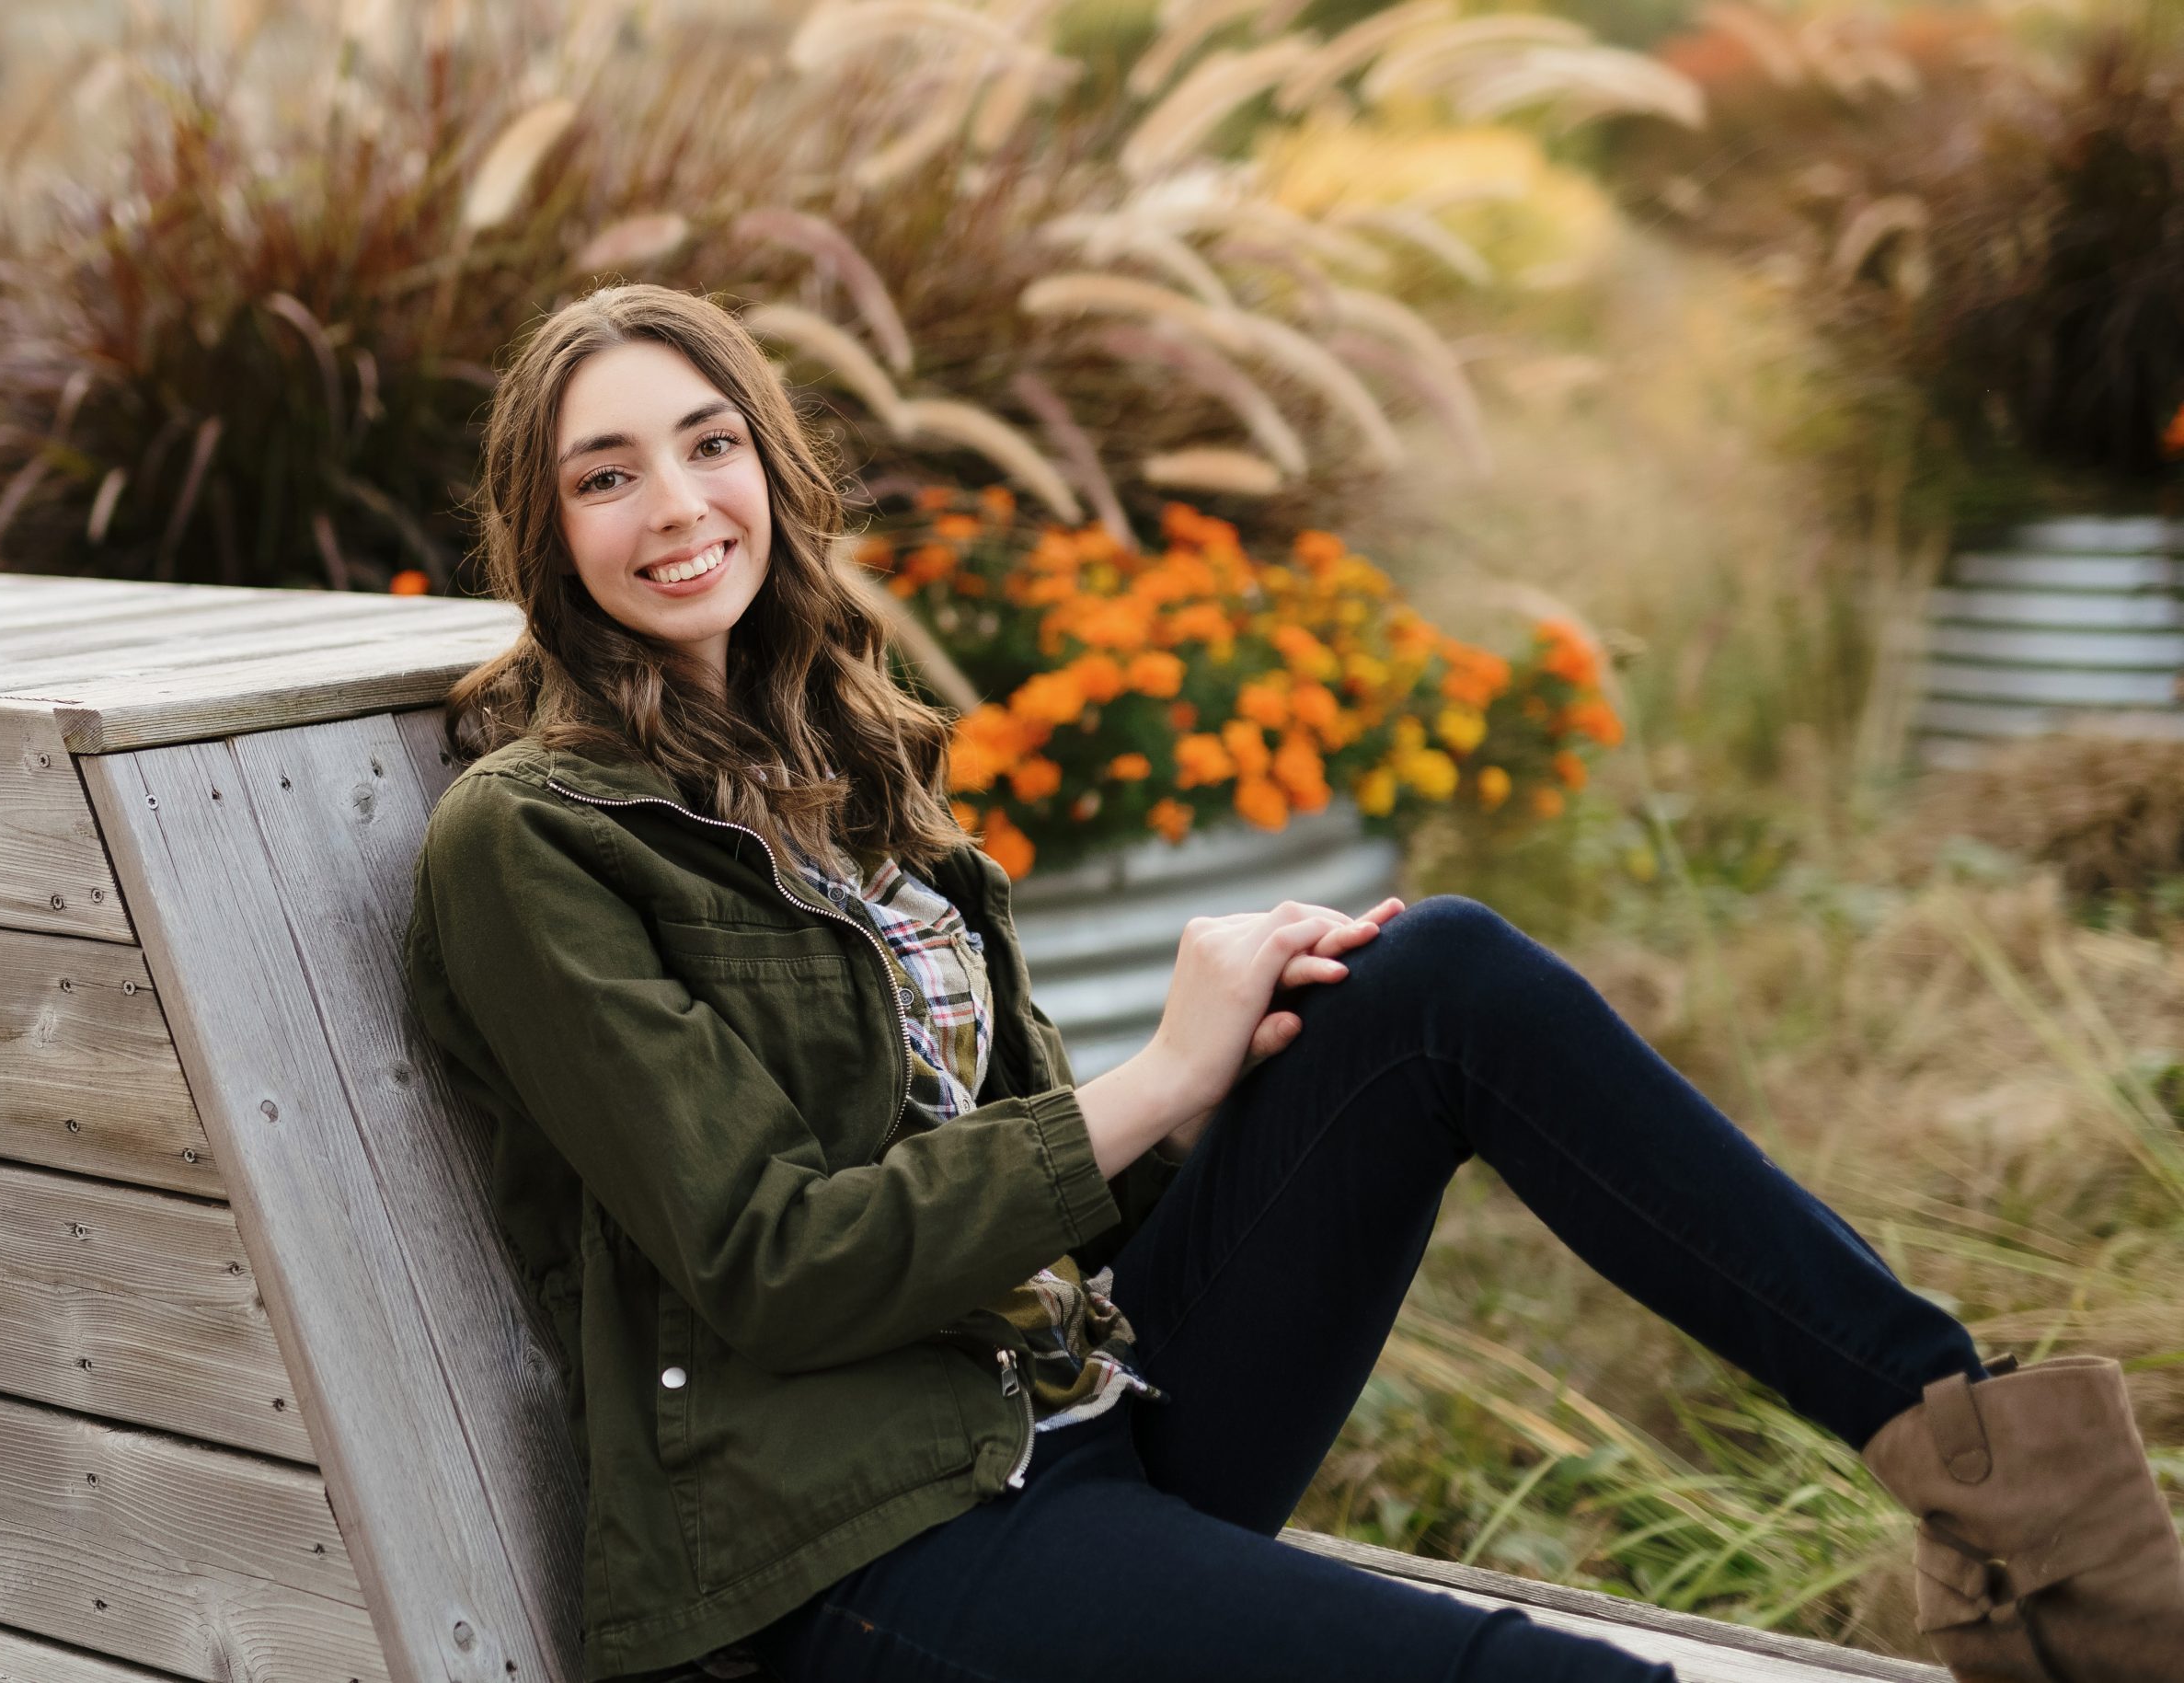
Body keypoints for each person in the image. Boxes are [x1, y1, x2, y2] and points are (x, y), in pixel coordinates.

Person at [401, 282, 2184, 1683]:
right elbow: (773, 1265)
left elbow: (1027, 1200)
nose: (673, 504)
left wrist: (1259, 1061)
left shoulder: (858, 790)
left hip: (1080, 1412)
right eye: (604, 473)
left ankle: (2027, 1504)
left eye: (705, 443)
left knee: (1432, 980)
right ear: (543, 531)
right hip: (862, 1549)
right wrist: (1163, 1081)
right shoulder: (531, 843)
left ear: (769, 467)